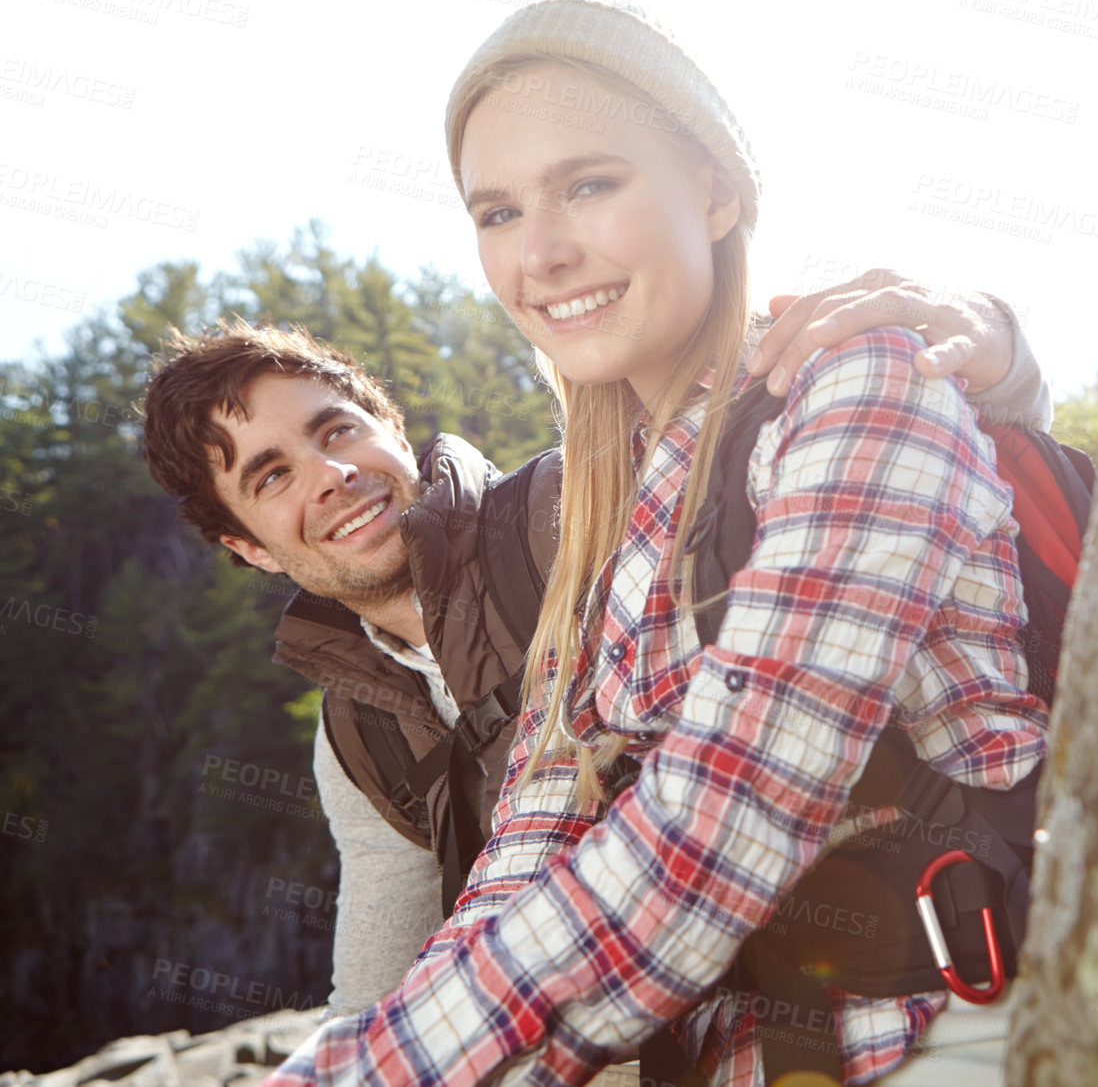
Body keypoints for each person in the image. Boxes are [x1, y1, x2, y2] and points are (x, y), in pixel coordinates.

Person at [266, 0, 1047, 1087]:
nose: (539, 252)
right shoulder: (599, 517)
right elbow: (527, 849)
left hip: (967, 1033)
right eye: (496, 212)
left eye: (589, 184)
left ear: (716, 191)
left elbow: (719, 822)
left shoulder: (856, 386)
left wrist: (372, 1075)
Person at [140, 277, 1049, 1014]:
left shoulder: (576, 507)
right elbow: (378, 983)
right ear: (249, 548)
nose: (331, 477)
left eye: (335, 429)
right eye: (272, 476)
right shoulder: (357, 735)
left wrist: (990, 334)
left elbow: (929, 431)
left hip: (895, 971)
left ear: (393, 431)